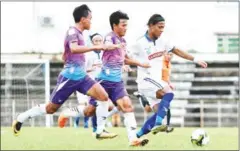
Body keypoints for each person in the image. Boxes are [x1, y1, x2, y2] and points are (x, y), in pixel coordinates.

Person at [12, 4, 118, 140]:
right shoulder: (72, 32)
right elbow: (74, 48)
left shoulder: (80, 34)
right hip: (70, 77)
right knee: (51, 109)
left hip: (82, 76)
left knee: (103, 97)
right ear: (83, 19)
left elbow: (69, 52)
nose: (91, 21)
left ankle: (100, 131)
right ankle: (21, 118)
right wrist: (97, 46)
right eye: (90, 18)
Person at [129, 14, 207, 139]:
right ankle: (159, 123)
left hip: (156, 81)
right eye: (160, 27)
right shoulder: (139, 43)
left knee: (160, 111)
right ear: (151, 26)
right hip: (145, 80)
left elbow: (176, 50)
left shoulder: (163, 41)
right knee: (169, 93)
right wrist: (127, 64)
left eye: (163, 28)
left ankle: (136, 136)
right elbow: (125, 57)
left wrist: (195, 59)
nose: (162, 30)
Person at [133, 52, 174, 133]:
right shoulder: (159, 61)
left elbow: (166, 76)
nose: (169, 56)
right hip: (154, 85)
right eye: (168, 54)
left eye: (171, 55)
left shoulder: (168, 64)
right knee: (168, 97)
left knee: (153, 110)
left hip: (158, 86)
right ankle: (163, 124)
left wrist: (169, 83)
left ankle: (138, 134)